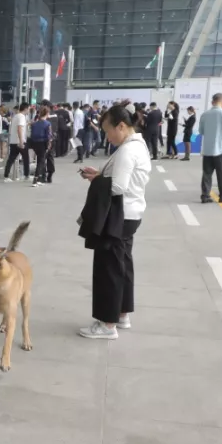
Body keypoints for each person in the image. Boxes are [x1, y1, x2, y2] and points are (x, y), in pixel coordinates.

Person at [77, 102, 151, 339]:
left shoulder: (128, 150)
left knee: (109, 269)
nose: (107, 137)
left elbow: (118, 187)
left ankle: (107, 324)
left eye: (108, 131)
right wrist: (100, 175)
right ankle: (121, 313)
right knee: (122, 266)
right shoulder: (136, 145)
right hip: (130, 214)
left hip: (119, 215)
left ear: (121, 126)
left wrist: (98, 181)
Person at [199, 94, 222, 203]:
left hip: (207, 149)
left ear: (212, 101)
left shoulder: (204, 114)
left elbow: (201, 131)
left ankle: (205, 195)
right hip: (221, 149)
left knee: (207, 173)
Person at [4, 102, 29, 181]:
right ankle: (26, 175)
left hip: (13, 141)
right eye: (28, 109)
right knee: (26, 158)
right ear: (25, 109)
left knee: (11, 159)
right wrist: (21, 141)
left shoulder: (16, 116)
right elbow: (19, 129)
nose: (28, 110)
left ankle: (6, 176)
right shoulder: (22, 117)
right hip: (20, 141)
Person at [29, 106, 53, 187]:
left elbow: (32, 134)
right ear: (47, 113)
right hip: (43, 143)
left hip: (35, 143)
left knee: (40, 160)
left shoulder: (34, 124)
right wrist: (49, 145)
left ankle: (39, 179)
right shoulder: (48, 124)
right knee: (41, 161)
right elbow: (49, 135)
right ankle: (35, 179)